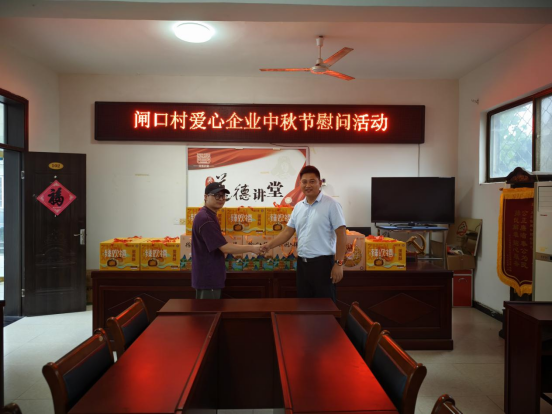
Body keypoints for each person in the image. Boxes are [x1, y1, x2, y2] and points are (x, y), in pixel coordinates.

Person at [261, 165, 346, 302]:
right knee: (304, 304)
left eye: (312, 181)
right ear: (300, 184)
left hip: (323, 265)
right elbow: (287, 232)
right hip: (302, 264)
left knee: (325, 306)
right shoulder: (298, 207)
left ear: (320, 183)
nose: (308, 185)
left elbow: (341, 234)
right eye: (304, 182)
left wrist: (339, 263)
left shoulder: (331, 204)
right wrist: (268, 246)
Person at [192, 181, 261, 299]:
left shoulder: (208, 215)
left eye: (223, 196)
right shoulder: (206, 219)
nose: (221, 199)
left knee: (208, 309)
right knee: (209, 310)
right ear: (206, 197)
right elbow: (224, 247)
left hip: (208, 275)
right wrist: (252, 248)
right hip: (208, 277)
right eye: (216, 195)